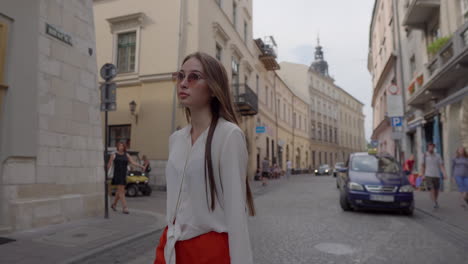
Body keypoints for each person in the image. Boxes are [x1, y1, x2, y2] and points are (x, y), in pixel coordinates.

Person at [154, 52, 255, 264]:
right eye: (181, 76)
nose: (183, 83)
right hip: (171, 247)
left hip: (209, 253)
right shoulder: (176, 139)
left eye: (193, 77)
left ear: (213, 88)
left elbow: (236, 216)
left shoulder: (229, 136)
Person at [107, 142, 144, 214]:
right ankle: (125, 207)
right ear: (117, 147)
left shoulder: (126, 155)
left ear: (124, 147)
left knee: (119, 191)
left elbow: (133, 162)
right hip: (117, 174)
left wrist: (141, 166)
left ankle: (114, 205)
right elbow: (109, 164)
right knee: (122, 191)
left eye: (122, 146)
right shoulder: (114, 154)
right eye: (120, 146)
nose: (121, 147)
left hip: (124, 174)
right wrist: (106, 172)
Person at [420, 143, 447, 209]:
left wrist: (444, 173)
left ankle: (435, 200)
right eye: (429, 147)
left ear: (434, 148)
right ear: (428, 148)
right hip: (428, 175)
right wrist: (422, 175)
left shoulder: (438, 156)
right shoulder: (424, 155)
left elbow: (441, 166)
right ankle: (434, 202)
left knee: (437, 190)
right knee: (432, 189)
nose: (431, 148)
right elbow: (423, 166)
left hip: (437, 175)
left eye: (432, 147)